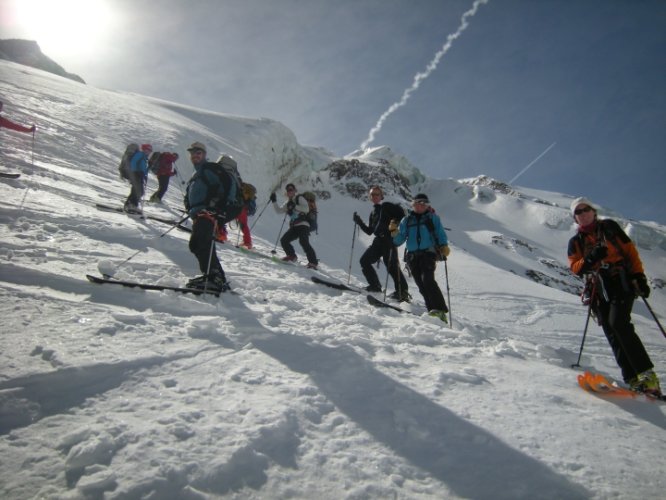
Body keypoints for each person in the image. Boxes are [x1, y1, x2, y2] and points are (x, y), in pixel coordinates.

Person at [567, 197, 660, 396]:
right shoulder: (575, 242)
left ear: (593, 211)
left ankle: (647, 375)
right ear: (575, 218)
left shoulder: (609, 227)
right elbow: (575, 268)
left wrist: (638, 277)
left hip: (620, 281)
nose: (583, 214)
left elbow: (629, 252)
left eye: (586, 210)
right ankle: (632, 379)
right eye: (578, 212)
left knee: (618, 322)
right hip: (599, 289)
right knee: (611, 329)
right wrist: (591, 258)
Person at [390, 193, 450, 322]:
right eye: (418, 203)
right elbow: (399, 240)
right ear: (413, 204)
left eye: (424, 203)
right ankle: (432, 312)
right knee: (421, 284)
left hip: (428, 253)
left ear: (427, 205)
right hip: (412, 257)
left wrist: (444, 245)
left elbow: (440, 233)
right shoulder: (406, 220)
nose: (421, 205)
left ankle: (440, 310)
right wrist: (394, 232)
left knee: (427, 279)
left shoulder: (432, 218)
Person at [183, 141, 231, 292]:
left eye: (198, 153)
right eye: (192, 153)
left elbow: (224, 186)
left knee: (202, 242)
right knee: (197, 244)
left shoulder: (209, 169)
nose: (194, 155)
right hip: (199, 213)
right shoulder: (196, 174)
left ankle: (214, 277)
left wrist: (215, 205)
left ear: (204, 154)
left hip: (209, 212)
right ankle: (216, 277)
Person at [353, 186, 410, 301]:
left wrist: (394, 223)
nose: (374, 196)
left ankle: (402, 292)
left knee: (392, 266)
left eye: (377, 194)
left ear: (381, 196)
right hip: (378, 241)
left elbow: (402, 216)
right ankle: (375, 286)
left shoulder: (386, 206)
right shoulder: (373, 212)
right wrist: (359, 222)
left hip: (389, 240)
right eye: (372, 194)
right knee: (364, 261)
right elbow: (370, 231)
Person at [270, 183, 319, 269]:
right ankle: (292, 256)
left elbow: (306, 209)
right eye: (288, 190)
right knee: (284, 240)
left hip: (304, 225)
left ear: (294, 191)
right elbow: (279, 211)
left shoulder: (299, 198)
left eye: (291, 189)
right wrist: (274, 201)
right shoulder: (288, 203)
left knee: (303, 241)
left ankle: (313, 262)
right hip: (295, 226)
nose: (289, 191)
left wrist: (294, 206)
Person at [123, 143, 152, 214]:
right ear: (144, 149)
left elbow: (143, 168)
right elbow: (134, 162)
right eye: (148, 150)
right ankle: (132, 205)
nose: (149, 152)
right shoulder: (140, 154)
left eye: (150, 150)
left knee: (138, 191)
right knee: (138, 190)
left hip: (140, 175)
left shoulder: (144, 157)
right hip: (136, 174)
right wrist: (135, 172)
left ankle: (129, 204)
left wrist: (145, 174)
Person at [236, 183, 257, 249]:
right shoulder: (243, 186)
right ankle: (247, 242)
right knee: (243, 225)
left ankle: (247, 242)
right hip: (244, 208)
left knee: (243, 225)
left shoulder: (240, 186)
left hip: (242, 207)